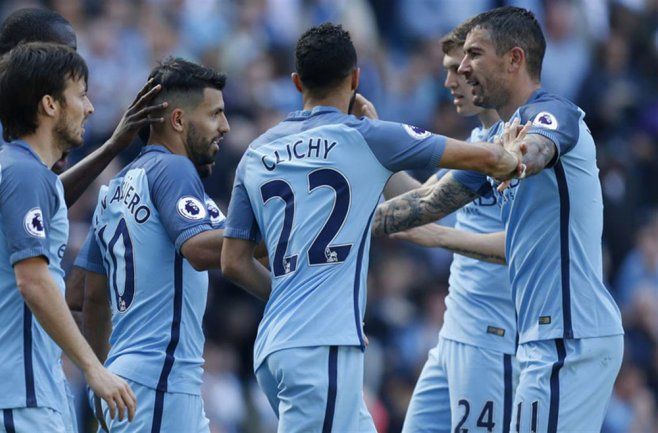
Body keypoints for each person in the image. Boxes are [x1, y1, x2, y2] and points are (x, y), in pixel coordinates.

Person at [220, 23, 524, 433]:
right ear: (356, 78)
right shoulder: (369, 137)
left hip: (274, 346)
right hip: (320, 347)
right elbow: (485, 160)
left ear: (295, 82)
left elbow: (234, 260)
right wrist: (514, 153)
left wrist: (288, 298)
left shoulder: (256, 152)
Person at [373, 7, 624, 432]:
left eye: (473, 55)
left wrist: (516, 159)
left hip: (568, 336)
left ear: (514, 59)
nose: (463, 70)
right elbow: (426, 202)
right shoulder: (488, 145)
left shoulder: (554, 112)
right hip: (537, 337)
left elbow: (539, 148)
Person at [0, 7, 164, 429]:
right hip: (12, 377)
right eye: (79, 90)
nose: (90, 106)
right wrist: (94, 368)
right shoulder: (16, 160)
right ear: (47, 97)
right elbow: (32, 278)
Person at [77, 57, 232, 433]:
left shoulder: (114, 189)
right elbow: (199, 249)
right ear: (178, 121)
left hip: (125, 381)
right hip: (161, 380)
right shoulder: (174, 169)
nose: (224, 127)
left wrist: (98, 382)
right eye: (215, 115)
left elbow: (87, 297)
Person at [397, 19, 518, 433]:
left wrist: (439, 238)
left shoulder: (516, 144)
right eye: (448, 69)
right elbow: (421, 202)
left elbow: (525, 245)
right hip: (454, 333)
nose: (451, 80)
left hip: (493, 337)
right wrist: (373, 148)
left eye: (459, 68)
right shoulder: (479, 140)